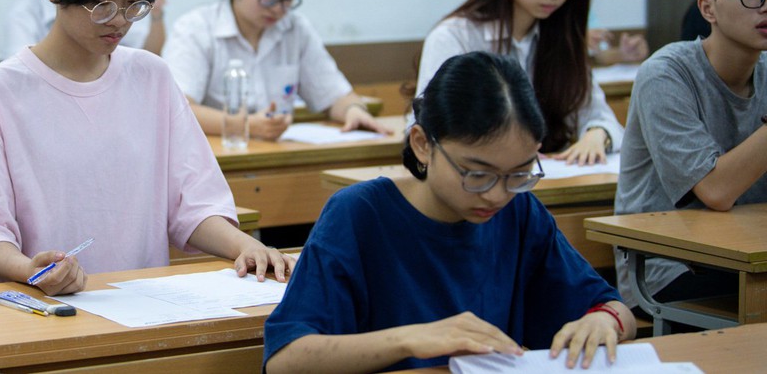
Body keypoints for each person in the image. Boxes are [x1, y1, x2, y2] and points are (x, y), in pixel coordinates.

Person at [0, 0, 293, 293]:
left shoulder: (151, 77)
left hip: (144, 309)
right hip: (42, 309)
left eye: (134, 4)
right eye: (104, 4)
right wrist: (30, 269)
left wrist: (246, 246)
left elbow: (193, 203)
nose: (121, 20)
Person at [264, 52, 634, 373]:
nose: (497, 195)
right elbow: (286, 359)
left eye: (519, 174)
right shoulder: (359, 214)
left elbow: (615, 308)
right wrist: (412, 340)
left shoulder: (519, 212)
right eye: (477, 174)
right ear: (423, 145)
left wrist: (605, 319)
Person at [615, 0, 767, 308]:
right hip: (668, 271)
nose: (765, 3)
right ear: (708, 7)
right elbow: (715, 191)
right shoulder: (665, 74)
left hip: (748, 256)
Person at [416, 0, 623, 165]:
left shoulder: (562, 41)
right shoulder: (456, 37)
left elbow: (598, 115)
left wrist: (596, 135)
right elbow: (430, 126)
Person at [162, 0, 387, 142]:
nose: (278, 9)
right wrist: (244, 125)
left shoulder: (295, 29)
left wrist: (353, 110)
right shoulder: (195, 29)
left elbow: (335, 94)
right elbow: (177, 109)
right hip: (215, 161)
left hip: (275, 155)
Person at [6, 0, 167, 56]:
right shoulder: (25, 12)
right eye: (101, 2)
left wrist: (156, 11)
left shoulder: (153, 73)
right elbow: (21, 64)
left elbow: (148, 52)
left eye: (132, 1)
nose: (119, 21)